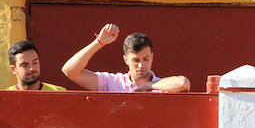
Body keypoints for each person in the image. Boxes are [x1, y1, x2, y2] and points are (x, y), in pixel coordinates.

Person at [61, 24, 190, 92]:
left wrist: (149, 86)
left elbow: (183, 83)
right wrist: (99, 42)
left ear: (152, 57)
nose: (141, 66)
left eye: (146, 59)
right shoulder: (111, 82)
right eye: (136, 60)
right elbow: (70, 71)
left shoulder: (163, 86)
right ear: (125, 59)